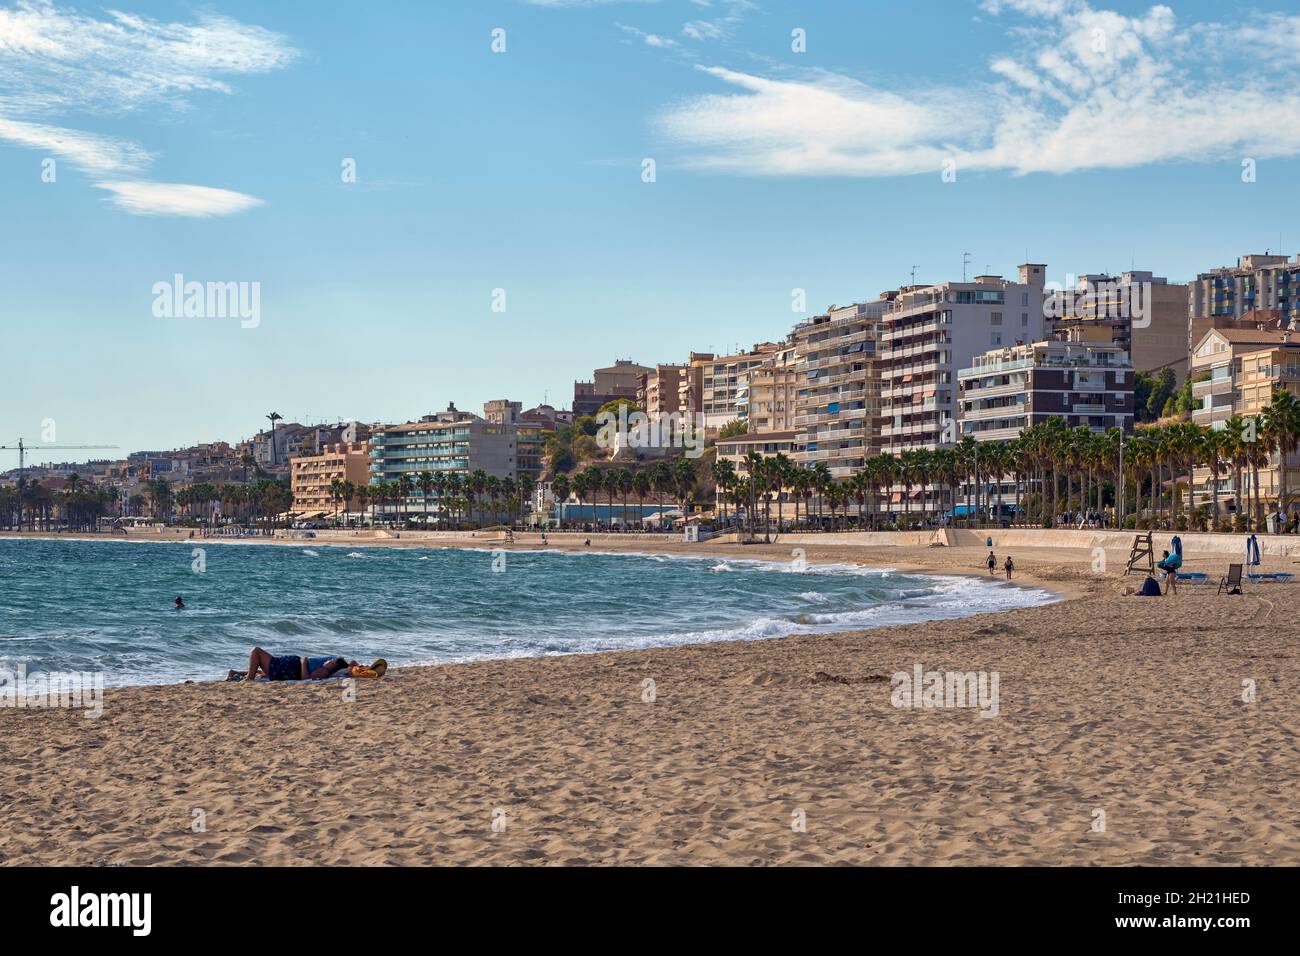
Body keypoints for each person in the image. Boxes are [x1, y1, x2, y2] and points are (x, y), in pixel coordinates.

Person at [230, 649, 353, 683]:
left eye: (332, 660)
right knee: (260, 672)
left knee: (256, 652)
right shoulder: (327, 668)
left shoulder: (325, 670)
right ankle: (235, 673)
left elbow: (305, 678)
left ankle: (249, 679)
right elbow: (350, 665)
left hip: (283, 669)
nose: (329, 660)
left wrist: (303, 661)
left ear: (334, 665)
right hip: (283, 667)